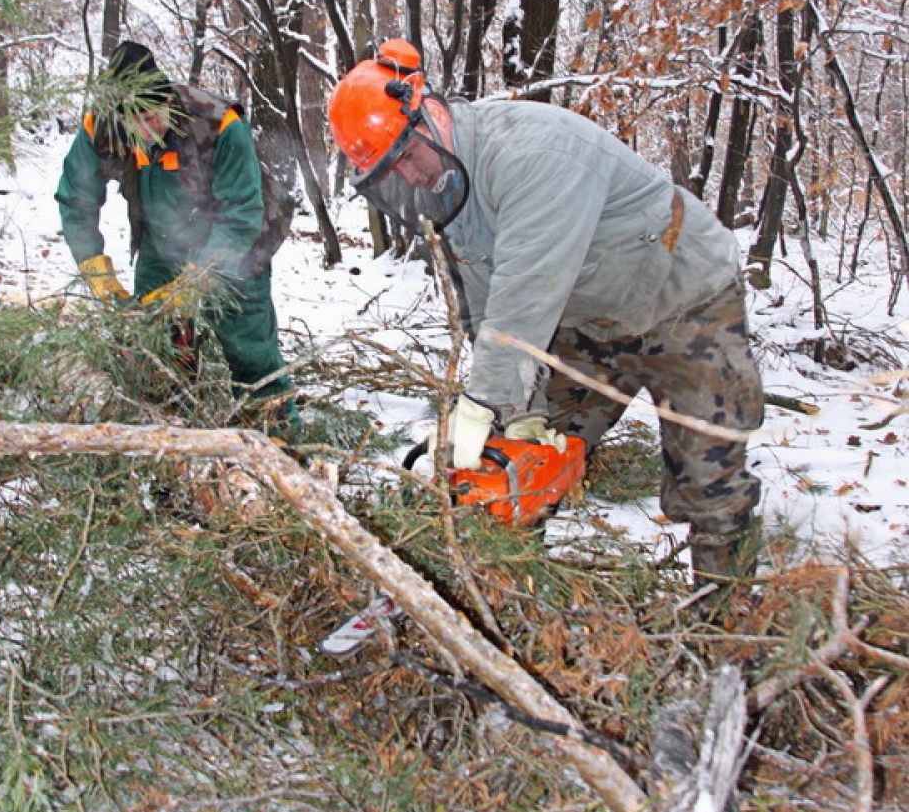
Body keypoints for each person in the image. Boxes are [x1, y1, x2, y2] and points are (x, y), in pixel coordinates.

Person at [327, 39, 764, 597]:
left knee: (708, 480)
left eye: (407, 157)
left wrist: (483, 404)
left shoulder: (533, 154)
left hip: (686, 304)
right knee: (515, 467)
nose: (409, 177)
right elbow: (485, 315)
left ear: (430, 115)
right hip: (587, 321)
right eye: (392, 171)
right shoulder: (450, 192)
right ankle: (517, 610)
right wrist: (515, 415)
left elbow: (523, 299)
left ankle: (726, 629)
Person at [56, 40, 297, 437]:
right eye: (137, 121)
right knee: (157, 352)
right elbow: (76, 201)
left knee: (250, 354)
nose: (149, 128)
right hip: (161, 240)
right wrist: (97, 273)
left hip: (239, 244)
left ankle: (279, 447)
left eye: (154, 115)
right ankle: (172, 450)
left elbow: (241, 214)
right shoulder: (100, 128)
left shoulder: (219, 123)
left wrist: (196, 284)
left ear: (167, 98)